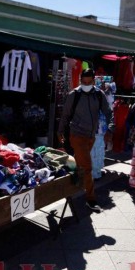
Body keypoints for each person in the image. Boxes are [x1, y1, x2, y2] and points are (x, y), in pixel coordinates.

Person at [58, 68, 114, 212]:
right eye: (84, 82)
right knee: (88, 167)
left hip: (91, 136)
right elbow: (65, 115)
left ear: (94, 81)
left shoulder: (99, 94)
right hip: (77, 134)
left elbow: (108, 112)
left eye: (89, 82)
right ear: (80, 80)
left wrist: (111, 127)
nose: (86, 84)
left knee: (81, 164)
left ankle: (70, 183)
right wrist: (60, 131)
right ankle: (91, 199)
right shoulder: (74, 95)